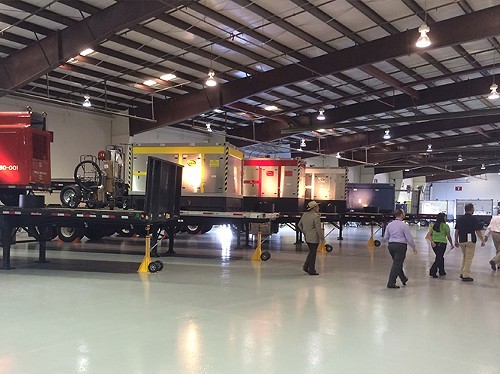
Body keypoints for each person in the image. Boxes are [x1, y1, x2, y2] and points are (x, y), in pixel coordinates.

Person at [384, 208, 417, 289]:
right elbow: (409, 238)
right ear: (401, 215)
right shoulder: (404, 225)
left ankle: (403, 279)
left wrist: (392, 240)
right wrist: (414, 247)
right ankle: (391, 283)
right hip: (401, 246)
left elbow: (386, 237)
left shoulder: (389, 225)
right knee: (397, 264)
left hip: (391, 245)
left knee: (397, 263)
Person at [454, 203, 485, 282]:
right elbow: (477, 231)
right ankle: (465, 275)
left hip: (462, 240)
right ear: (471, 210)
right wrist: (482, 240)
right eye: (473, 209)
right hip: (471, 240)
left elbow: (457, 230)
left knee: (465, 256)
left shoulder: (460, 219)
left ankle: (462, 272)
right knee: (469, 258)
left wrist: (456, 240)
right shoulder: (474, 219)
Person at [298, 201, 324, 275]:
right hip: (314, 238)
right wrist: (322, 238)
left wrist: (304, 232)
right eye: (317, 206)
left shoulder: (305, 214)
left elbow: (299, 225)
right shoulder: (316, 216)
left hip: (307, 237)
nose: (318, 208)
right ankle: (311, 270)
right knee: (313, 254)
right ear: (314, 208)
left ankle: (306, 267)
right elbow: (318, 229)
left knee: (311, 252)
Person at [425, 212, 453, 278]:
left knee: (440, 257)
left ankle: (442, 271)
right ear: (443, 218)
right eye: (445, 217)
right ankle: (432, 271)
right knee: (439, 258)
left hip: (434, 244)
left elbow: (429, 235)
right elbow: (448, 236)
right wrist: (451, 244)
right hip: (442, 244)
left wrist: (432, 242)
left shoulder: (434, 225)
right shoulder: (445, 226)